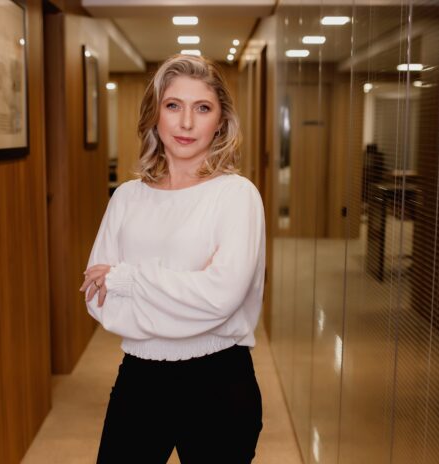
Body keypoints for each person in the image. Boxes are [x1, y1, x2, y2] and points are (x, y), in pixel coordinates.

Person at [79, 54, 266, 464]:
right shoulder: (127, 197)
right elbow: (98, 300)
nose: (186, 123)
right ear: (155, 114)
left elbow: (222, 297)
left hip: (219, 381)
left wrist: (128, 281)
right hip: (139, 378)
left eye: (202, 108)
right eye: (173, 105)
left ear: (220, 121)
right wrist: (190, 292)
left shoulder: (237, 196)